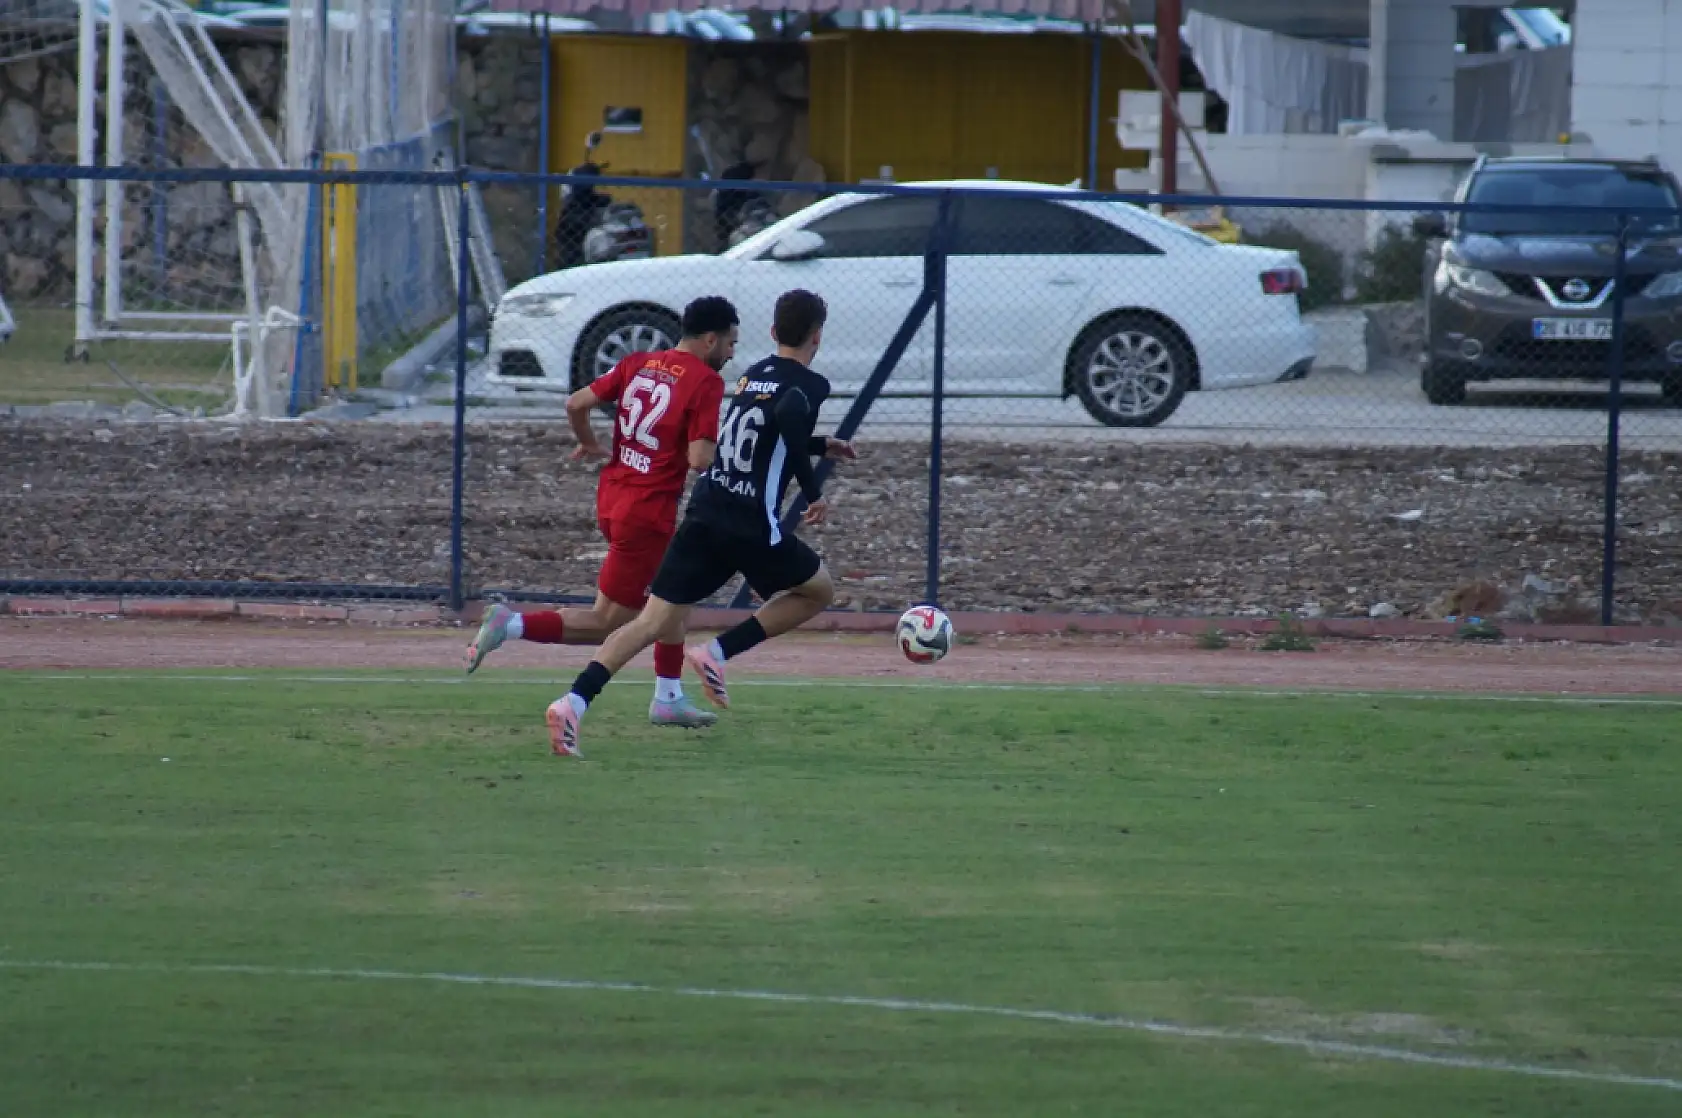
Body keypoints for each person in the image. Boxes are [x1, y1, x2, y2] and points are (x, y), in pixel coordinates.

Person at [544, 288, 855, 758]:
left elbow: (755, 432)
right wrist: (813, 492)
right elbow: (789, 416)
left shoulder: (752, 377)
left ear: (773, 333)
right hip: (749, 522)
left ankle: (573, 702)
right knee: (819, 591)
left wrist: (818, 444)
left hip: (706, 508)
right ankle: (718, 653)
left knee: (650, 621)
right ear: (818, 336)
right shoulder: (811, 385)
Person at [464, 296, 740, 730]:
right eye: (730, 343)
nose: (731, 353)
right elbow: (700, 459)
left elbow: (576, 403)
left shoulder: (638, 362)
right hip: (647, 511)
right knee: (607, 622)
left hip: (614, 496)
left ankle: (669, 696)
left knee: (675, 598)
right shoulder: (705, 381)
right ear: (710, 339)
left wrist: (590, 442)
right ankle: (511, 624)